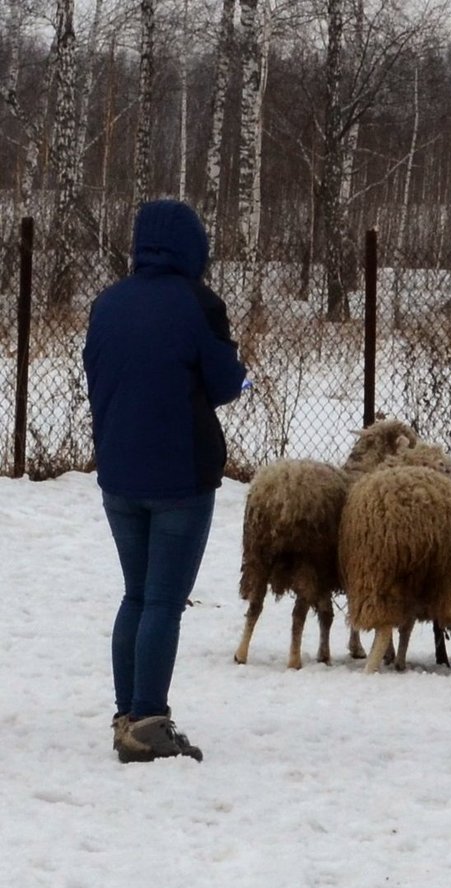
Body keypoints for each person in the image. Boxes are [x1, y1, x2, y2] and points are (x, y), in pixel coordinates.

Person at [83, 199, 248, 763]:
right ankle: (149, 724)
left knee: (135, 595)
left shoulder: (107, 302)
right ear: (191, 246)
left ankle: (127, 715)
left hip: (118, 475)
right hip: (180, 475)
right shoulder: (199, 303)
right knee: (163, 602)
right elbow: (225, 384)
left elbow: (98, 372)